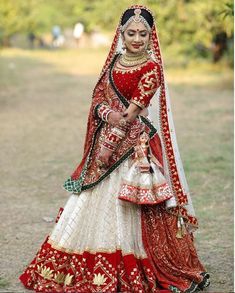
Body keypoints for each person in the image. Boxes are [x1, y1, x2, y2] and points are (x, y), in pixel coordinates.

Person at [19, 5, 210, 293]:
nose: (136, 39)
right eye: (131, 33)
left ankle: (140, 262)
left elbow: (133, 111)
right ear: (121, 34)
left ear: (150, 36)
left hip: (133, 149)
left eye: (143, 34)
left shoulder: (151, 68)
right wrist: (107, 116)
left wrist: (109, 142)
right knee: (90, 201)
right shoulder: (115, 62)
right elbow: (98, 97)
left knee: (134, 207)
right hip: (107, 139)